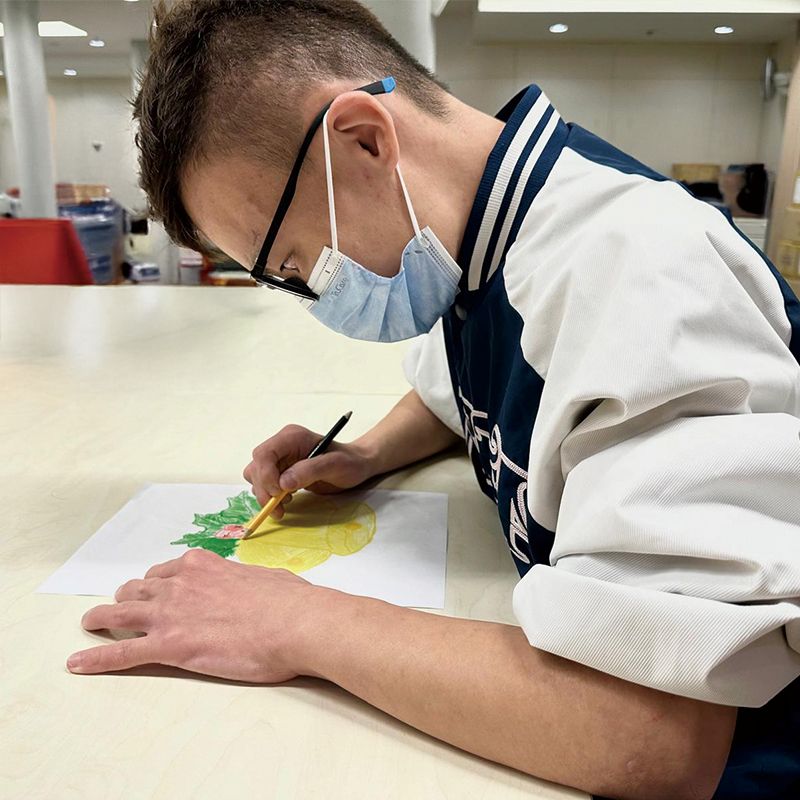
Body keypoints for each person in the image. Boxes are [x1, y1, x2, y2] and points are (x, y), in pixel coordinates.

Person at [67, 2, 800, 798]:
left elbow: (650, 734)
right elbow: (465, 393)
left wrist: (295, 620)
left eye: (295, 263)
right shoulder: (481, 233)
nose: (312, 296)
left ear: (364, 139)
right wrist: (367, 454)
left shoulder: (638, 275)